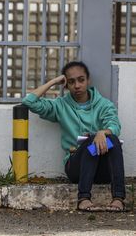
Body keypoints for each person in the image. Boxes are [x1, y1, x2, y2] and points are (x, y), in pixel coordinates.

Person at [22, 61, 125, 212]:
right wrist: (54, 81)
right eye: (71, 82)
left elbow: (115, 126)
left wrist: (102, 133)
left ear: (88, 80)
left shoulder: (103, 104)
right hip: (76, 167)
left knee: (113, 140)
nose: (77, 85)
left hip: (102, 169)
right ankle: (83, 198)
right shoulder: (60, 106)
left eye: (81, 80)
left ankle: (118, 199)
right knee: (90, 143)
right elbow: (29, 102)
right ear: (66, 85)